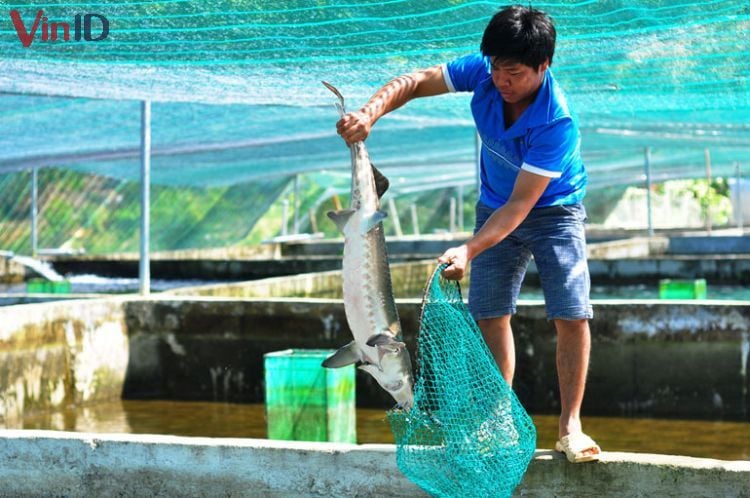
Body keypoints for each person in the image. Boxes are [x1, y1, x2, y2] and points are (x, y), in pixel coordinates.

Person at [335, 5, 600, 463]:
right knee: (491, 312)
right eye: (495, 67)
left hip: (554, 210)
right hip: (495, 206)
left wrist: (469, 248)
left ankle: (570, 426)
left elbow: (523, 205)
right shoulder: (485, 71)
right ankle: (495, 417)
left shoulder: (557, 122)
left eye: (513, 72)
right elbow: (417, 81)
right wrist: (369, 114)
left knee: (571, 314)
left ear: (543, 66)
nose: (500, 79)